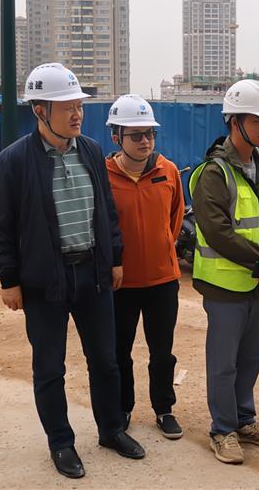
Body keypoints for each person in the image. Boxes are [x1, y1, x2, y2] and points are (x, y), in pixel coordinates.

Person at [0, 63, 143, 479]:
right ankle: (61, 442)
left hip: (92, 274)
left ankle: (111, 429)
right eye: (67, 107)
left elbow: (106, 211)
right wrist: (8, 280)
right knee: (50, 368)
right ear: (40, 110)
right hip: (44, 283)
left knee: (106, 361)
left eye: (79, 106)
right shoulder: (13, 163)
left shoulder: (90, 150)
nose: (77, 114)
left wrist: (115, 258)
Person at [189, 79, 259, 465]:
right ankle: (223, 429)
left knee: (250, 358)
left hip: (256, 283)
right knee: (224, 363)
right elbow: (218, 231)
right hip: (224, 285)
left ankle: (244, 420)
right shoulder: (214, 173)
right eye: (256, 120)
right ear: (235, 122)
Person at [104, 94, 185, 440]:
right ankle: (123, 408)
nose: (144, 141)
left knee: (162, 353)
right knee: (120, 353)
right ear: (116, 137)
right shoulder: (103, 176)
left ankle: (164, 409)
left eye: (149, 133)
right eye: (135, 135)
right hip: (120, 284)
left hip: (162, 281)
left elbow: (175, 219)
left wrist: (160, 249)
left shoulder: (167, 171)